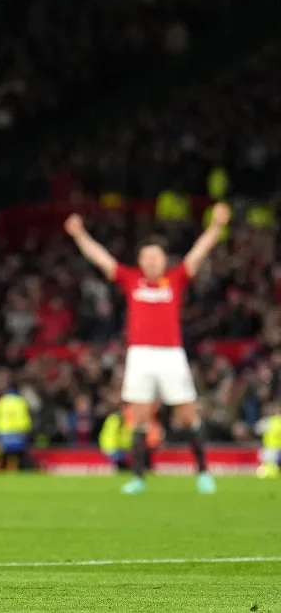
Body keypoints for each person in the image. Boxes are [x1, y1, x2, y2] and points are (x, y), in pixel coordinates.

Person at [64, 203, 230, 495]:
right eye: (147, 257)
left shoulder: (176, 278)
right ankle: (139, 477)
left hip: (171, 355)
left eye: (156, 256)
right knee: (138, 418)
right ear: (140, 260)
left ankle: (203, 472)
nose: (152, 261)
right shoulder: (131, 279)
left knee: (188, 415)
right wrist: (79, 234)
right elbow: (101, 258)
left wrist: (216, 226)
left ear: (164, 260)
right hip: (140, 355)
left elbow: (199, 252)